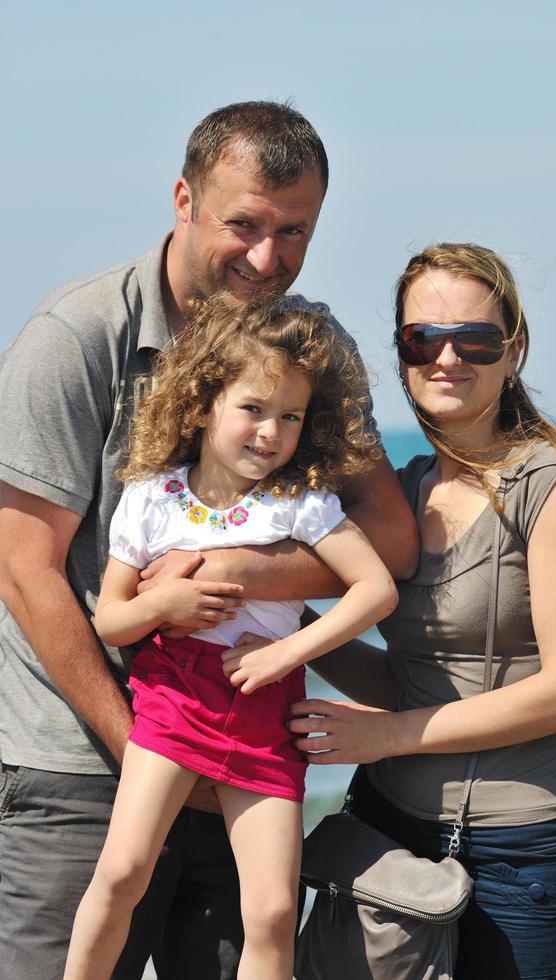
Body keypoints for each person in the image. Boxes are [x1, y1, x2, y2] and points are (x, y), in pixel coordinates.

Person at [0, 101, 418, 980]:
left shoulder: (313, 349)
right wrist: (147, 747)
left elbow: (389, 538)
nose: (268, 258)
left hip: (245, 752)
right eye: (245, 224)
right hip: (83, 759)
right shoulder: (76, 337)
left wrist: (239, 573)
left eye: (294, 231)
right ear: (184, 199)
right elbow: (23, 567)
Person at [290, 242, 556, 979]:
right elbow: (416, 681)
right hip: (390, 840)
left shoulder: (552, 483)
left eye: (475, 339)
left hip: (527, 856)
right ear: (403, 353)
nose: (448, 358)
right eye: (423, 339)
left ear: (514, 352)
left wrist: (390, 737)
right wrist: (290, 633)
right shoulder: (400, 495)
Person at [63, 295, 397, 980]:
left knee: (273, 911)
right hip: (172, 700)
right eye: (253, 408)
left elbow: (376, 589)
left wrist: (287, 651)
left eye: (291, 417)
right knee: (123, 872)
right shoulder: (152, 496)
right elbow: (112, 621)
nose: (271, 432)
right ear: (205, 402)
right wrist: (169, 601)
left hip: (265, 713)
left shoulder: (300, 500)